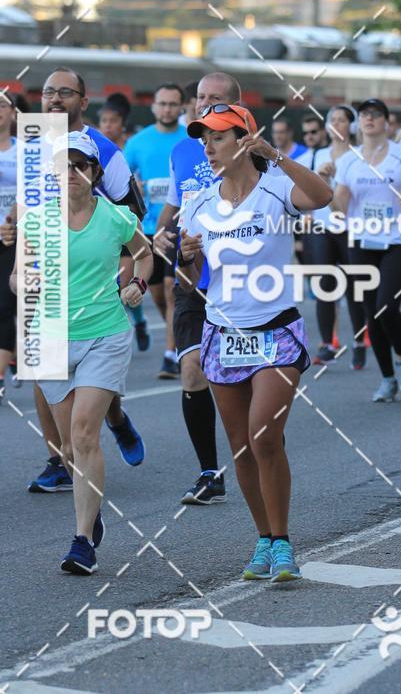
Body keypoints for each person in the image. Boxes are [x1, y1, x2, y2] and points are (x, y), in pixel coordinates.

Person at [179, 104, 332, 582]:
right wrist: (186, 260)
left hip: (276, 329)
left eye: (219, 137)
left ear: (245, 140)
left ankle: (284, 542)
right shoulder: (199, 203)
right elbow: (190, 282)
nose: (208, 146)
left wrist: (277, 155)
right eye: (203, 138)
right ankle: (263, 539)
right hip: (223, 332)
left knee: (265, 433)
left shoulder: (276, 189)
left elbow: (322, 196)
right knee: (242, 446)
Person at [12, 132, 153, 574]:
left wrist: (137, 283)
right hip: (50, 336)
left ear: (93, 173)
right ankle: (91, 509)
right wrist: (24, 286)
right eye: (62, 166)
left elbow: (144, 254)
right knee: (70, 448)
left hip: (104, 334)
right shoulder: (37, 220)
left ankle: (81, 542)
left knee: (85, 432)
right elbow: (19, 274)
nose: (70, 174)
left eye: (79, 166)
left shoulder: (113, 217)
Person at [2, 68, 146, 493]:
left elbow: (131, 211)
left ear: (85, 102)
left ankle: (115, 417)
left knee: (91, 371)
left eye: (66, 93)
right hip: (41, 272)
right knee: (41, 371)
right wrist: (12, 228)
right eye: (48, 92)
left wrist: (116, 264)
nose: (55, 100)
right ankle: (59, 459)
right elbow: (26, 202)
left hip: (92, 269)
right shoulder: (32, 142)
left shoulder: (104, 151)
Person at [153, 72, 241, 505]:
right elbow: (176, 201)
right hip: (191, 274)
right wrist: (159, 232)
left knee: (239, 384)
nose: (202, 104)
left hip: (238, 280)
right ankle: (209, 472)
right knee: (192, 371)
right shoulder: (183, 149)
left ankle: (259, 452)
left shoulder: (248, 152)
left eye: (214, 99)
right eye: (199, 98)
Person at [333, 99, 401, 402]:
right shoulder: (349, 160)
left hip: (398, 239)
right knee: (370, 314)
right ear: (359, 122)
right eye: (364, 115)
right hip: (362, 241)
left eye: (375, 115)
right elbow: (339, 208)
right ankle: (388, 378)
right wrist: (325, 182)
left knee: (387, 305)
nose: (369, 119)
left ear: (388, 121)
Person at [124, 83, 187, 379]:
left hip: (182, 226)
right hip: (150, 228)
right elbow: (120, 182)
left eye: (173, 104)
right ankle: (179, 341)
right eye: (162, 104)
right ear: (153, 107)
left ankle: (170, 355)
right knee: (159, 295)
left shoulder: (191, 138)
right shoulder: (138, 142)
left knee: (174, 293)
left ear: (182, 108)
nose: (167, 109)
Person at [300, 105, 367, 368]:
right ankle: (328, 343)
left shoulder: (360, 156)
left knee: (354, 288)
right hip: (321, 227)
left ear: (352, 127)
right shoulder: (316, 155)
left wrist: (337, 182)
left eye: (342, 120)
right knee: (325, 285)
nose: (337, 124)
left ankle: (360, 341)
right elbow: (299, 189)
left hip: (351, 227)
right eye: (333, 120)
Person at [99, 93, 150, 352]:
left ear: (122, 124)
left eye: (112, 120)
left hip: (125, 223)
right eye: (103, 120)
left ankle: (136, 323)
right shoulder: (89, 150)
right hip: (99, 226)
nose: (107, 125)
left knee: (125, 283)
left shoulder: (126, 150)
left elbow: (133, 187)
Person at [0, 93, 18, 391]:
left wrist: (13, 222)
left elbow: (35, 191)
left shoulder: (26, 152)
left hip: (14, 237)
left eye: (2, 105)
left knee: (5, 305)